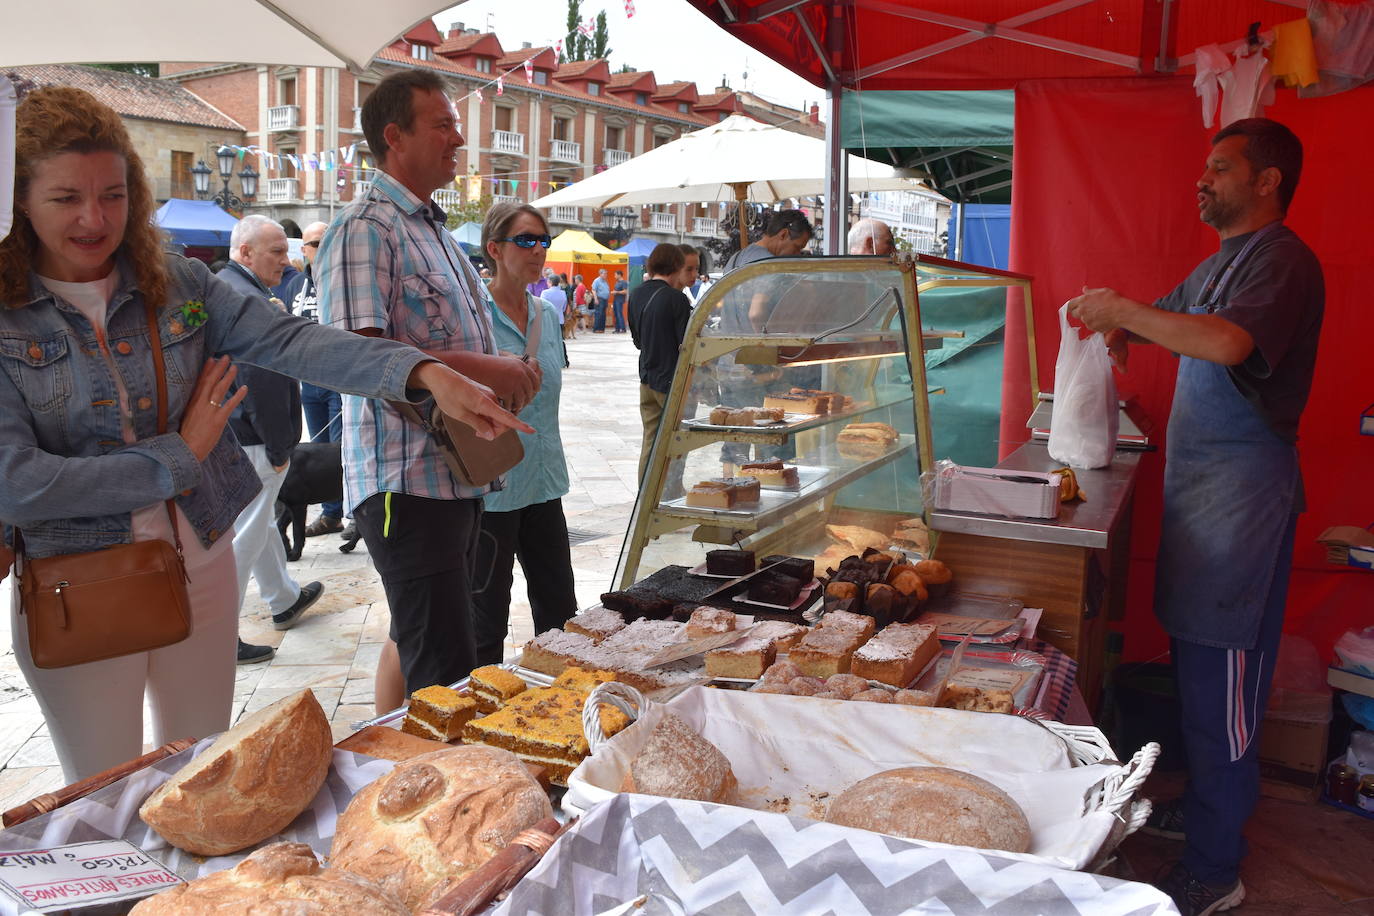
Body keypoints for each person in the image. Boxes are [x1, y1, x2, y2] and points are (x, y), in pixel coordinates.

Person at [0, 85, 528, 782]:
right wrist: (176, 457)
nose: (94, 218)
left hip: (202, 557)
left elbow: (293, 341)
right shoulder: (9, 314)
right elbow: (17, 482)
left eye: (114, 195)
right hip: (78, 580)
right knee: (106, 793)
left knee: (201, 774)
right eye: (66, 197)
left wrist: (422, 372)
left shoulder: (178, 283)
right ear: (19, 201)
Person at [1066, 118, 1323, 916]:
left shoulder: (1283, 260)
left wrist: (1124, 309)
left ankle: (1218, 866)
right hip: (1200, 502)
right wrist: (1120, 328)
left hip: (1242, 506)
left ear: (1267, 181)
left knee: (1225, 697)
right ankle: (1209, 809)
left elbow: (1226, 343)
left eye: (1221, 168)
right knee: (1198, 681)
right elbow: (1168, 317)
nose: (1202, 180)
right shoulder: (1220, 263)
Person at [315, 70, 542, 715]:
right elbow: (355, 356)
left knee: (444, 655)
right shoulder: (366, 227)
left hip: (454, 478)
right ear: (395, 137)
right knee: (443, 677)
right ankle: (428, 779)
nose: (458, 139)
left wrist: (501, 372)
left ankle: (416, 762)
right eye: (443, 125)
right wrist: (485, 369)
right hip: (406, 483)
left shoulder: (434, 230)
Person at [472, 204, 577, 663]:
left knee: (560, 614)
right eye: (526, 240)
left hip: (544, 482)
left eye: (543, 240)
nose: (538, 250)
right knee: (485, 620)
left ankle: (558, 698)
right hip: (491, 489)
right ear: (495, 249)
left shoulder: (547, 315)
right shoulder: (472, 313)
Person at [220, 216, 325, 660]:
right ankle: (218, 636)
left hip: (240, 436)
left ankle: (283, 599)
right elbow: (257, 380)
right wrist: (279, 445)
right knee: (244, 535)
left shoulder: (236, 289)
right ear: (246, 253)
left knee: (258, 523)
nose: (288, 260)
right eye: (277, 251)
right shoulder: (247, 299)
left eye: (288, 250)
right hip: (253, 440)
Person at [290, 220, 349, 540]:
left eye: (327, 242)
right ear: (304, 250)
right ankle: (331, 514)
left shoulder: (342, 280)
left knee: (342, 452)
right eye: (315, 244)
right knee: (319, 450)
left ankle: (355, 514)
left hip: (338, 380)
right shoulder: (295, 285)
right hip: (309, 380)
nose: (322, 248)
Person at [627, 243, 691, 484]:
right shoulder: (677, 299)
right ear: (676, 266)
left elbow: (637, 341)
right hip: (671, 381)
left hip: (646, 377)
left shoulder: (636, 294)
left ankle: (645, 492)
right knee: (676, 441)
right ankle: (669, 492)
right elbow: (687, 345)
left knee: (650, 440)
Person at [592, 268, 611, 333]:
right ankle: (596, 329)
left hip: (605, 300)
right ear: (600, 274)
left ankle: (601, 329)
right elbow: (593, 290)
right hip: (599, 299)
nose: (606, 275)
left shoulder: (605, 281)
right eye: (604, 274)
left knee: (603, 315)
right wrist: (595, 299)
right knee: (598, 314)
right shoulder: (596, 281)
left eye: (606, 274)